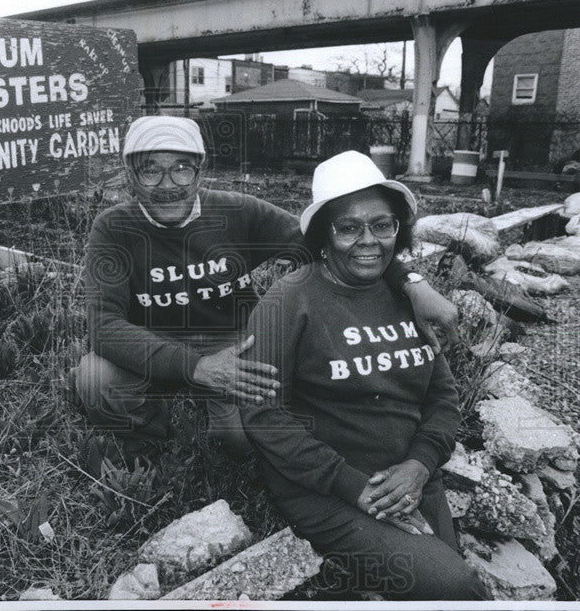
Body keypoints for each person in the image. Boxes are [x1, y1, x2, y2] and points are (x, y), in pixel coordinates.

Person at [75, 116, 460, 461]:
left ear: (201, 172)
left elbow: (333, 243)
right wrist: (194, 367)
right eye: (150, 171)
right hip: (152, 342)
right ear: (130, 175)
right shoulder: (113, 227)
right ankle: (151, 444)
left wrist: (411, 281)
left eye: (181, 169)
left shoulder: (238, 211)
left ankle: (225, 412)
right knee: (96, 378)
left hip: (236, 344)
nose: (168, 185)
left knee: (244, 444)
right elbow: (103, 325)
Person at [239, 150, 488, 600]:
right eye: (348, 228)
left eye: (382, 225)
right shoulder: (289, 300)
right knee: (456, 585)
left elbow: (442, 399)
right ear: (322, 235)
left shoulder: (407, 295)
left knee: (449, 585)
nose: (368, 240)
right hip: (329, 489)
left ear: (399, 228)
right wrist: (357, 490)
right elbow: (263, 417)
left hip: (411, 477)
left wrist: (420, 464)